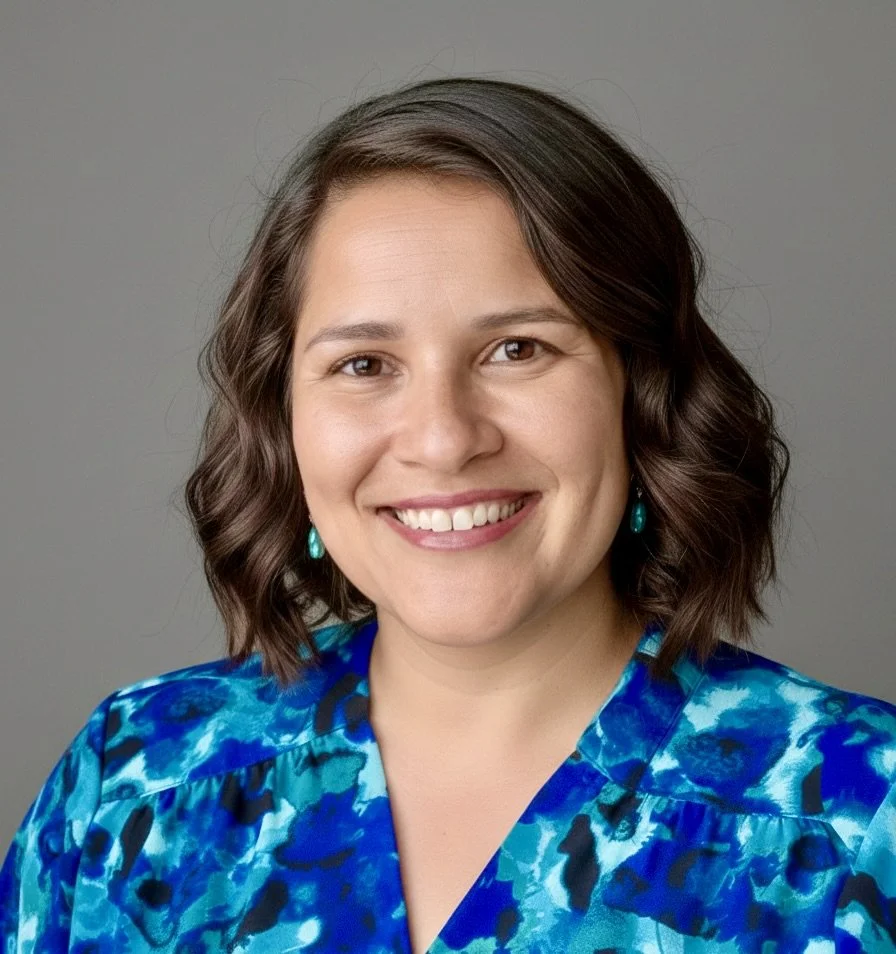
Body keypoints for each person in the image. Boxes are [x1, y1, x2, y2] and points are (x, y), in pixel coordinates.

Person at [1, 75, 894, 953]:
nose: (442, 439)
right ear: (285, 421)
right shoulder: (134, 788)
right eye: (364, 364)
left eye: (517, 348)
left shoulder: (860, 821)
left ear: (644, 395)